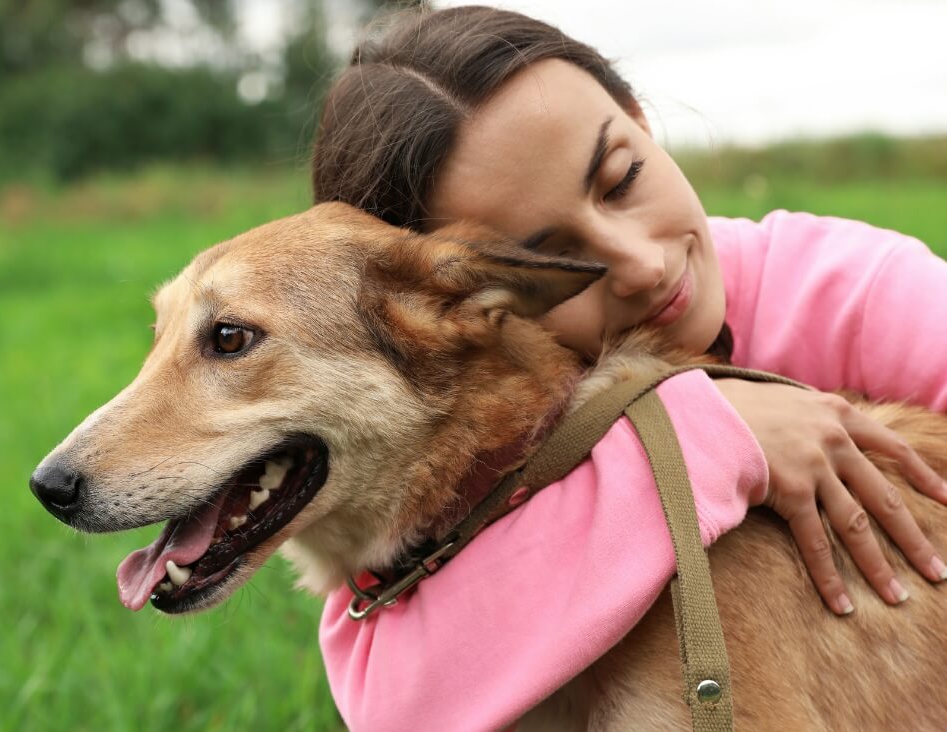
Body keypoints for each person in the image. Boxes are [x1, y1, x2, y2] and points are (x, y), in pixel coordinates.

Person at [308, 5, 947, 730]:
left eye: (621, 178)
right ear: (449, 314)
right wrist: (704, 442)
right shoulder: (482, 442)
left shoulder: (847, 288)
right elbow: (390, 697)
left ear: (641, 120)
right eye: (557, 263)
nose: (643, 266)